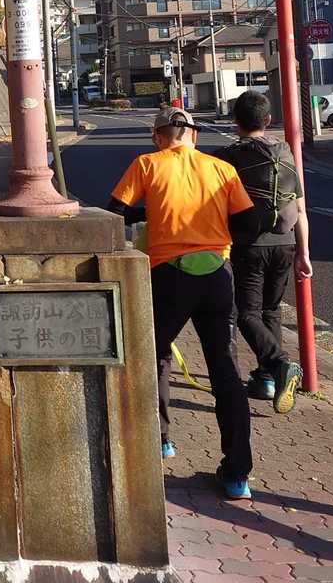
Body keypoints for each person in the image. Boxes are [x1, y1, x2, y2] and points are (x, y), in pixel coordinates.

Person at [109, 106, 257, 500]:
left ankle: (159, 442)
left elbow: (115, 212)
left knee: (153, 354)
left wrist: (152, 215)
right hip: (217, 274)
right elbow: (249, 223)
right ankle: (237, 474)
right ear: (193, 134)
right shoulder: (222, 169)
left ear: (158, 137)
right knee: (225, 369)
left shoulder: (147, 164)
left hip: (169, 275)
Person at [215, 90, 312, 413]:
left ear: (235, 121)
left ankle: (280, 365)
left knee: (246, 313)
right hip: (285, 242)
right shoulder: (285, 153)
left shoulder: (228, 156)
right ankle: (267, 378)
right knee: (271, 310)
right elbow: (300, 208)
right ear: (268, 120)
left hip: (248, 245)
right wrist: (304, 253)